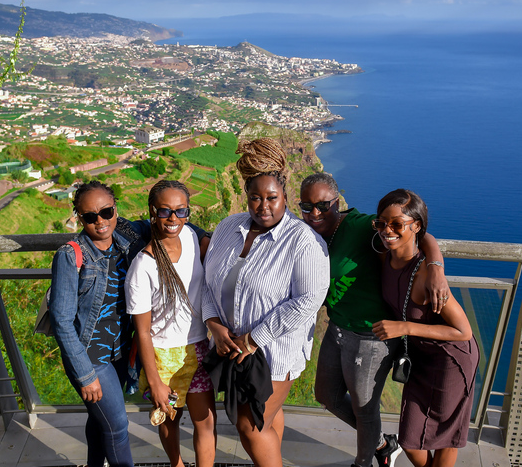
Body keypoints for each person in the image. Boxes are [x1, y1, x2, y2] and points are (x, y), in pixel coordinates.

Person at [299, 173, 450, 467]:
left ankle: (365, 462)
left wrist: (435, 267)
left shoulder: (358, 226)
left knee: (365, 410)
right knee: (326, 396)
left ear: (337, 202)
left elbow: (417, 231)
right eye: (307, 206)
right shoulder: (310, 232)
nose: (315, 213)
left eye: (322, 205)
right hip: (338, 327)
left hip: (372, 336)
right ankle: (382, 443)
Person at [202, 137, 330, 467]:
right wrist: (213, 323)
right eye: (255, 198)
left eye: (272, 198)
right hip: (231, 348)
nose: (263, 206)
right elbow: (208, 280)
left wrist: (254, 338)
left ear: (284, 195)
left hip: (273, 353)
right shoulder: (228, 227)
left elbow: (309, 299)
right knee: (267, 419)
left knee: (250, 426)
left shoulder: (302, 241)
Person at [371, 189, 479, 467]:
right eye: (381, 222)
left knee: (445, 438)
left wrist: (404, 326)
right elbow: (428, 238)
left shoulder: (425, 276)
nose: (387, 230)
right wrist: (436, 261)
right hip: (421, 357)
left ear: (415, 226)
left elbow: (463, 331)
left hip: (450, 361)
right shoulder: (385, 256)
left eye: (397, 224)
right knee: (410, 439)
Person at [49, 180, 151, 467]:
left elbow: (165, 221)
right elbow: (61, 321)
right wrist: (85, 375)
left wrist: (204, 236)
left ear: (115, 209)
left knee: (100, 421)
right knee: (117, 427)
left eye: (106, 212)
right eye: (90, 216)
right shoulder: (70, 255)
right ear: (79, 218)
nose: (100, 221)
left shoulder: (126, 238)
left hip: (119, 352)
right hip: (90, 357)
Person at [125, 180, 216, 467]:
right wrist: (154, 381)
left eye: (180, 210)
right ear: (153, 212)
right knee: (170, 423)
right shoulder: (143, 265)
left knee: (206, 423)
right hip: (163, 356)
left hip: (199, 348)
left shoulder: (192, 238)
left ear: (188, 213)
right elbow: (142, 331)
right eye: (165, 211)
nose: (173, 218)